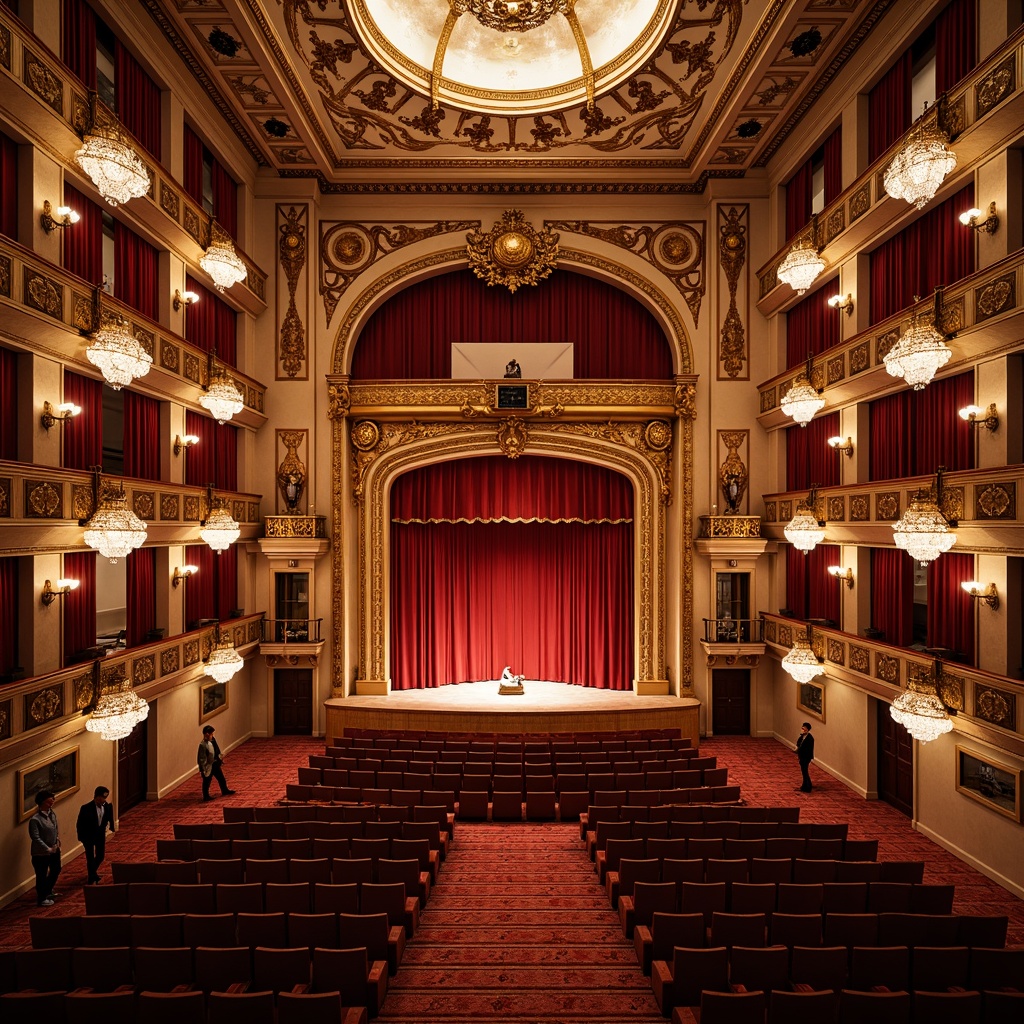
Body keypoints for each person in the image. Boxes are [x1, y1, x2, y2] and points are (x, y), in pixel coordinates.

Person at [28, 789, 62, 906]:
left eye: (52, 802)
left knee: (56, 869)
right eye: (49, 802)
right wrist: (47, 849)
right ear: (42, 803)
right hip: (40, 853)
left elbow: (55, 829)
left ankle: (47, 890)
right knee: (41, 875)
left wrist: (57, 841)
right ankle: (42, 898)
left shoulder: (52, 814)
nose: (51, 804)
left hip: (54, 849)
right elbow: (35, 838)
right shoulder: (35, 820)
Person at [76, 786, 115, 884]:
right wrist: (81, 837)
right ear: (97, 797)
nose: (104, 800)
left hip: (100, 836)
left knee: (100, 856)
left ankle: (92, 873)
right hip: (88, 836)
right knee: (90, 857)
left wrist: (111, 827)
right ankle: (92, 877)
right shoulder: (86, 808)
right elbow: (80, 824)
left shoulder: (107, 806)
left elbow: (109, 818)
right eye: (102, 798)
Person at [197, 725, 236, 801]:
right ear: (207, 734)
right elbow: (201, 758)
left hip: (215, 764)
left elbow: (216, 750)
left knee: (221, 778)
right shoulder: (203, 745)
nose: (212, 735)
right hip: (208, 766)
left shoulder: (213, 740)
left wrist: (219, 759)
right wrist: (203, 768)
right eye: (211, 734)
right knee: (207, 781)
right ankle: (206, 796)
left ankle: (224, 790)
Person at [796, 722, 815, 792]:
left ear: (807, 730)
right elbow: (798, 743)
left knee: (805, 772)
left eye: (804, 729)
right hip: (801, 757)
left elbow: (808, 749)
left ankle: (807, 786)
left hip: (806, 758)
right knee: (804, 772)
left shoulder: (810, 739)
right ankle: (805, 785)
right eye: (802, 728)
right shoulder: (802, 736)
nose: (802, 730)